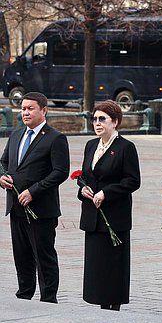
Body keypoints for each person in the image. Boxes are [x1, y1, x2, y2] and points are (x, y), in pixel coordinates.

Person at [0, 92, 70, 302]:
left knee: (44, 256)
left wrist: (34, 191)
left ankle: (48, 298)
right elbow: (3, 162)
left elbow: (60, 172)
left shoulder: (55, 138)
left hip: (41, 210)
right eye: (23, 109)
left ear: (44, 110)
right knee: (22, 256)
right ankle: (24, 294)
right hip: (16, 207)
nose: (26, 113)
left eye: (31, 108)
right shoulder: (16, 134)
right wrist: (2, 177)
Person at [76, 101, 141, 310]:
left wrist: (107, 192)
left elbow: (133, 181)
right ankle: (99, 304)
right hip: (93, 217)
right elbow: (85, 175)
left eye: (102, 119)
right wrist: (83, 190)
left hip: (114, 217)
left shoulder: (126, 147)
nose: (97, 123)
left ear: (115, 122)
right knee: (96, 266)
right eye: (94, 119)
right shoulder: (91, 145)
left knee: (113, 266)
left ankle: (113, 305)